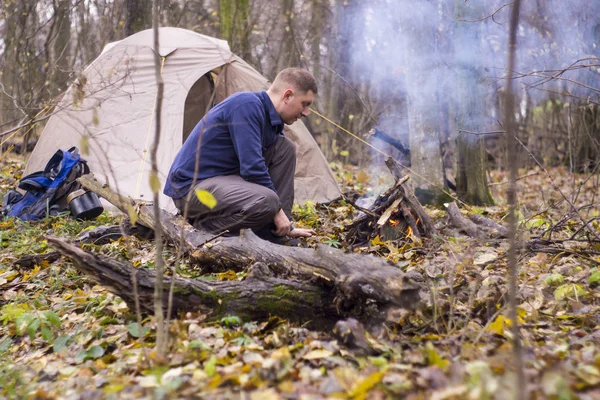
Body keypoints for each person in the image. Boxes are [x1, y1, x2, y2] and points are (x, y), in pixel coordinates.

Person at [164, 67, 316, 240]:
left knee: (285, 148)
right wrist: (277, 210)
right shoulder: (246, 106)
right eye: (305, 104)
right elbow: (252, 168)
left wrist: (286, 222)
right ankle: (200, 229)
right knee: (268, 202)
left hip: (224, 183)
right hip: (191, 188)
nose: (306, 113)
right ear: (287, 95)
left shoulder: (272, 120)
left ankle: (276, 233)